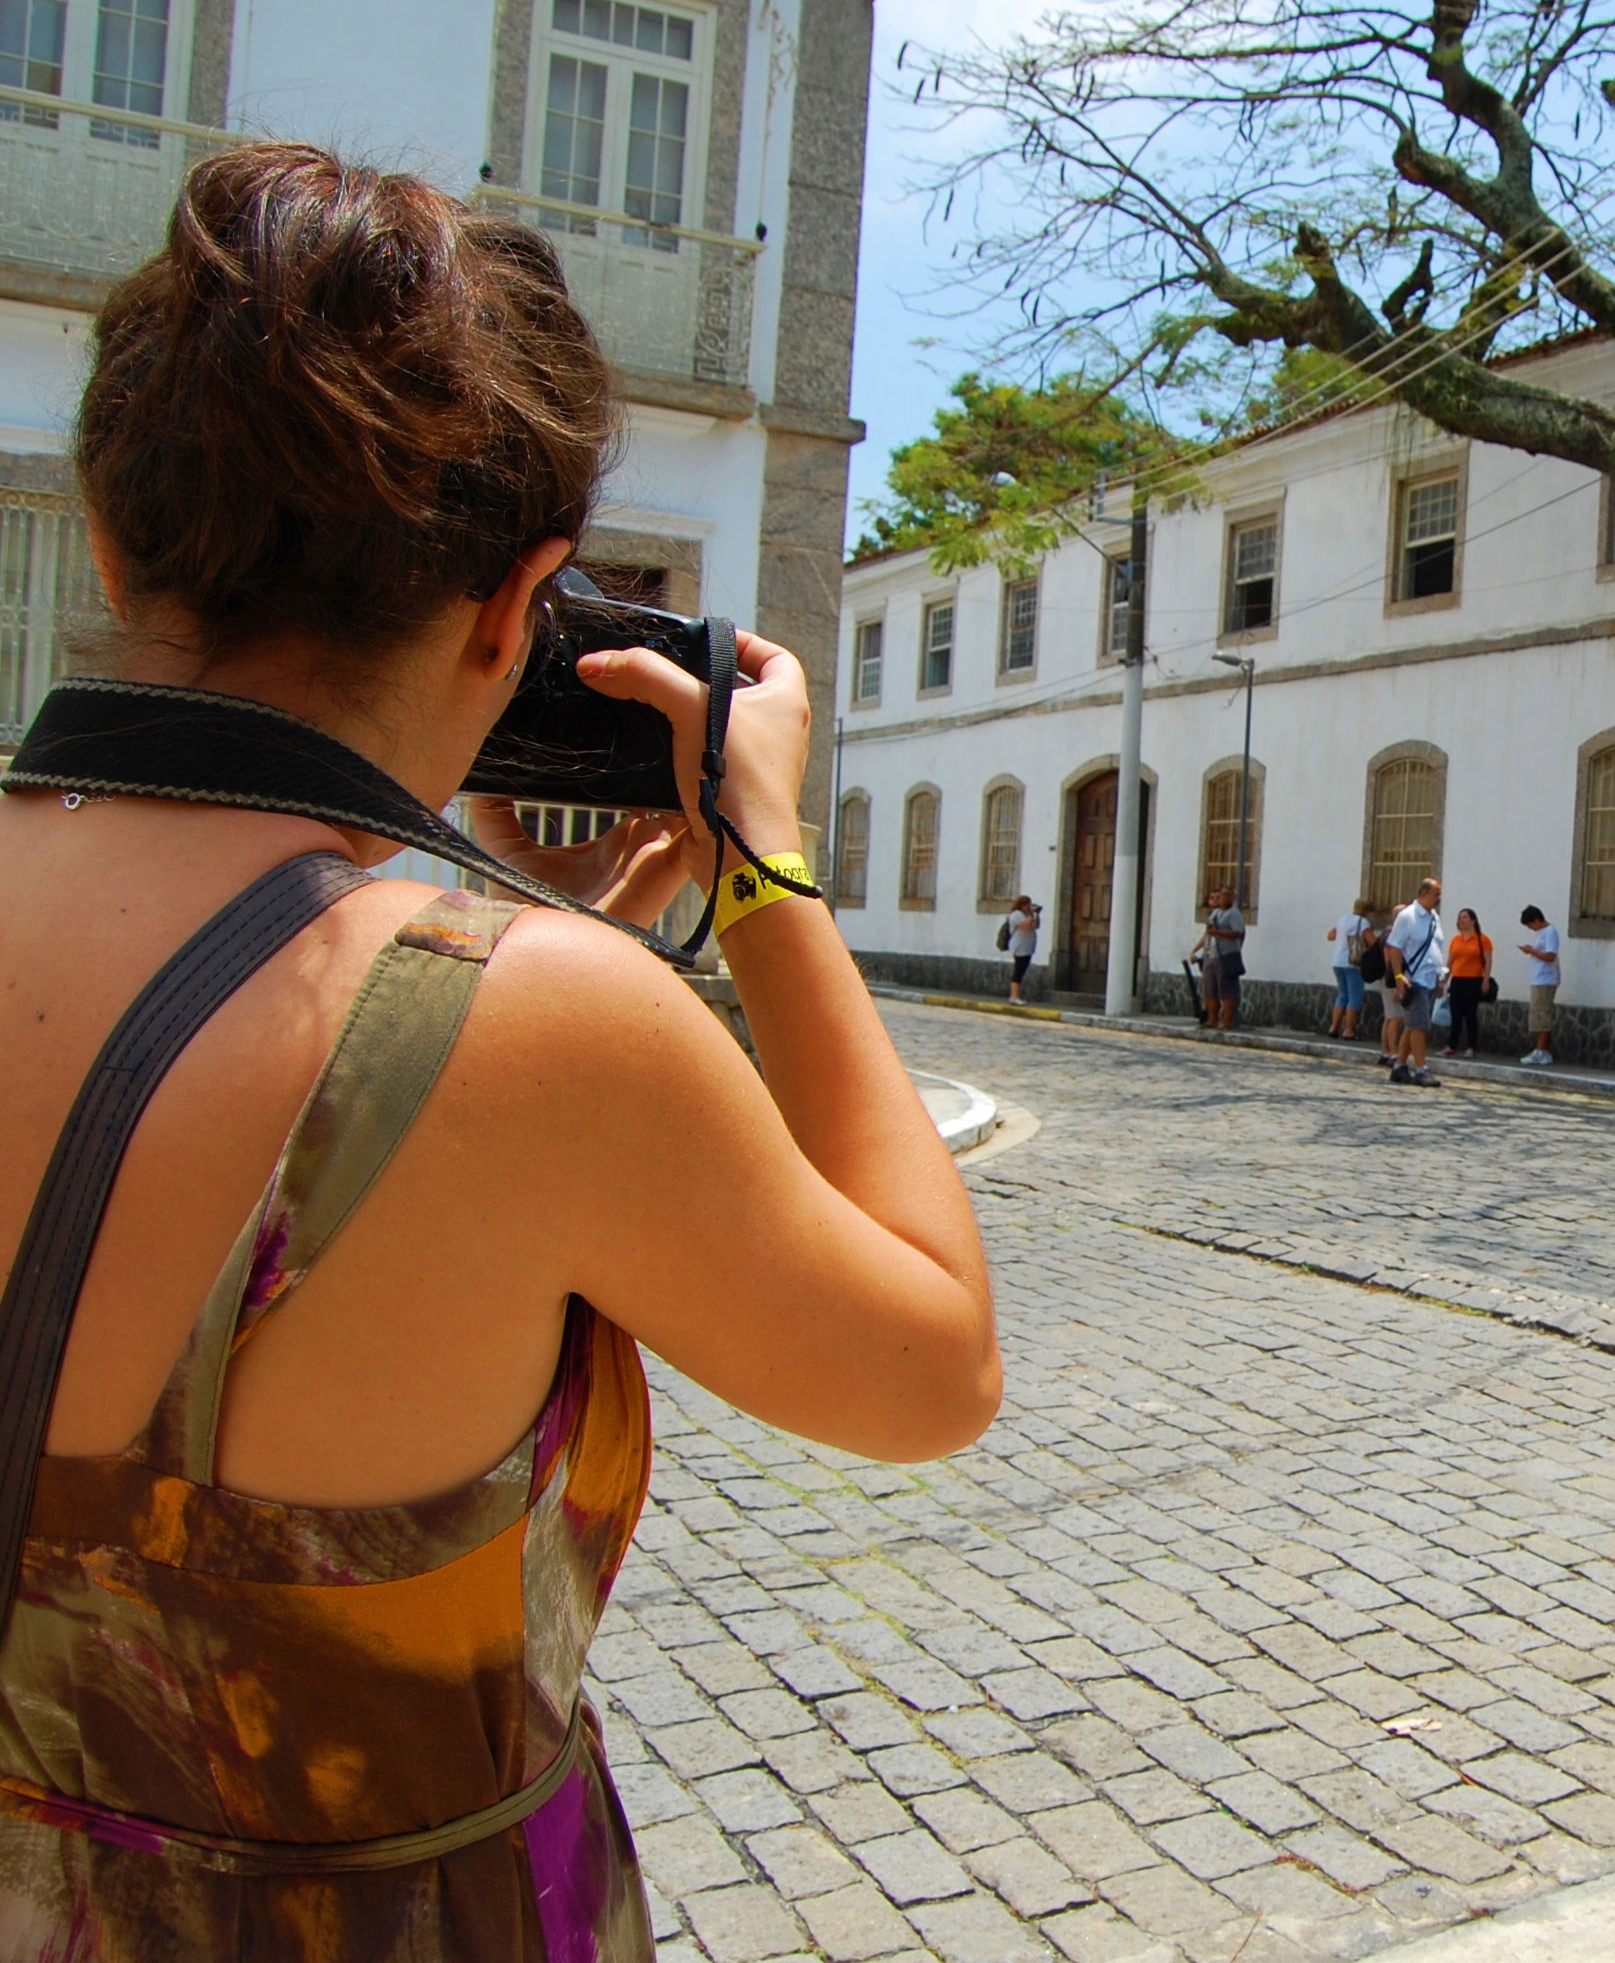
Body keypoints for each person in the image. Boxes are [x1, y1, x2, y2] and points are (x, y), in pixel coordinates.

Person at [0, 144, 1001, 1953]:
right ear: (515, 597)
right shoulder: (537, 1020)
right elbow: (931, 1369)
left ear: (104, 529)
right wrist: (761, 873)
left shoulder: (521, 1005)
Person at [1383, 879, 1446, 1086]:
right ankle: (1421, 1069)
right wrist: (1399, 976)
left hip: (1429, 979)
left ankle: (1400, 1066)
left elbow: (1434, 947)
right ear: (1424, 893)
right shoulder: (1407, 916)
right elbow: (1395, 947)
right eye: (1436, 894)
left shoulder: (1434, 917)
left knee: (1412, 1026)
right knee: (1419, 1027)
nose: (1439, 898)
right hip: (1414, 979)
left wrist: (1440, 976)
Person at [1192, 884, 1246, 1031]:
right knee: (1210, 990)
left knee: (1227, 990)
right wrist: (1197, 952)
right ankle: (1212, 1019)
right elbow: (1208, 933)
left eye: (1228, 895)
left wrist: (1218, 933)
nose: (1224, 898)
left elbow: (1237, 933)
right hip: (1211, 955)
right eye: (1222, 895)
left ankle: (1227, 1021)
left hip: (1226, 955)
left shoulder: (1234, 914)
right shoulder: (1215, 913)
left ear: (1233, 898)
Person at [1445, 908, 1494, 1058]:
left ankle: (1472, 1047)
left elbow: (1488, 961)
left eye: (1465, 917)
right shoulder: (1456, 940)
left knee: (1470, 1015)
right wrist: (1443, 980)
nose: (1462, 920)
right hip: (1457, 980)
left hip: (1473, 981)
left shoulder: (1482, 939)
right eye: (1460, 918)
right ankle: (1452, 1046)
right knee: (1455, 1015)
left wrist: (1485, 980)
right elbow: (1450, 962)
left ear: (1473, 920)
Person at [1518, 906, 1562, 1065]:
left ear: (1536, 920)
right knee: (1537, 1016)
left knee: (1543, 1015)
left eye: (1530, 925)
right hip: (1538, 979)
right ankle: (1539, 1049)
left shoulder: (1550, 932)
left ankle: (1542, 1050)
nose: (1531, 928)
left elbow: (1550, 956)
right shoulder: (1541, 934)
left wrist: (1532, 951)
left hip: (1546, 979)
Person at [1326, 897, 1376, 1039]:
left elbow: (1330, 936)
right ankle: (1348, 1030)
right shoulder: (1363, 922)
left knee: (1342, 995)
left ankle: (1333, 1027)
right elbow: (1373, 942)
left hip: (1337, 961)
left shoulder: (1343, 919)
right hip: (1353, 963)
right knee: (1355, 996)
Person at [1000, 893, 1041, 1003]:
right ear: (1021, 905)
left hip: (1027, 947)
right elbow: (1026, 926)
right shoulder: (1016, 915)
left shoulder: (1026, 914)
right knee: (1018, 971)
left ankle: (1015, 996)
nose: (1029, 907)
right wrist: (1031, 914)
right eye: (1027, 905)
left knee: (1021, 971)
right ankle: (1014, 996)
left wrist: (1037, 914)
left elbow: (1036, 926)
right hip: (1019, 948)